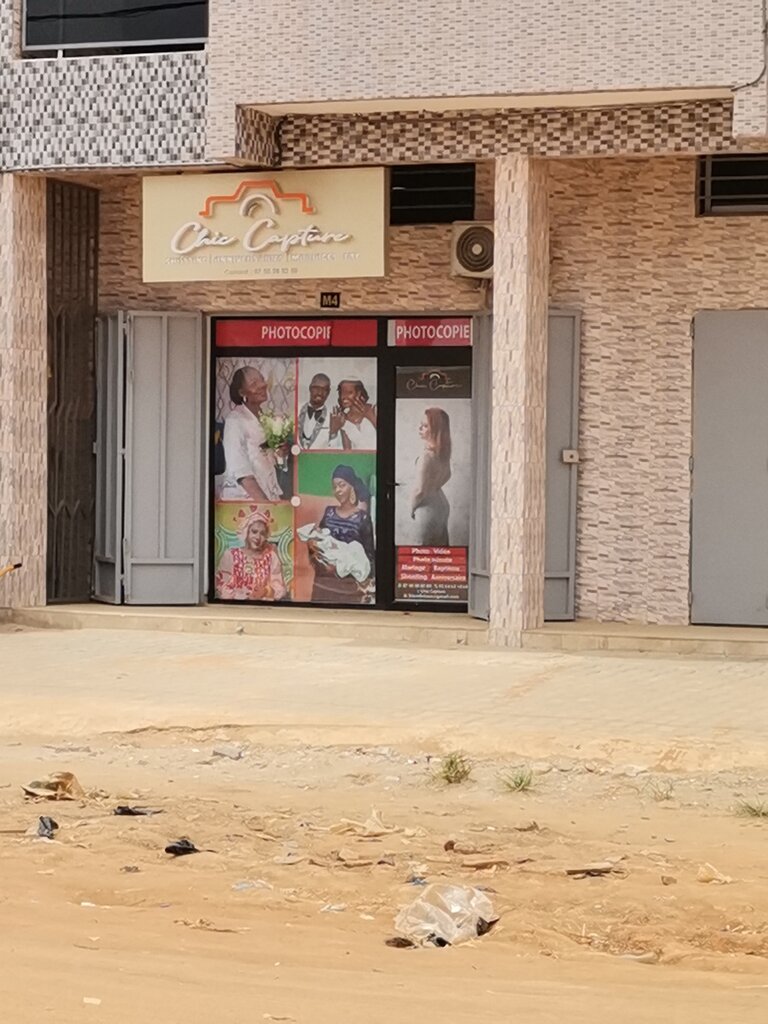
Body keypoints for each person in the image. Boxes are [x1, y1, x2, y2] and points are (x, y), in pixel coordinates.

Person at [308, 465, 375, 603]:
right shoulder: (329, 512)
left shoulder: (362, 518)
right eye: (335, 487)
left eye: (342, 485)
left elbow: (369, 557)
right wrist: (313, 548)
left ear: (352, 486)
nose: (337, 490)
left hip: (350, 589)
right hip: (324, 584)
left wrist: (342, 568)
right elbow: (320, 543)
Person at [220, 366, 283, 501]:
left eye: (262, 379)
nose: (262, 385)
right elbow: (240, 471)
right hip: (246, 500)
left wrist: (281, 454)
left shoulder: (266, 418)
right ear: (242, 392)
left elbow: (269, 460)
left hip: (269, 495)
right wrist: (265, 504)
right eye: (254, 383)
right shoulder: (235, 420)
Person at [215, 508, 287, 601]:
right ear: (246, 532)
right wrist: (244, 598)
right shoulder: (230, 556)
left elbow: (280, 588)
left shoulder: (272, 557)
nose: (258, 537)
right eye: (254, 531)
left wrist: (266, 591)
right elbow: (221, 586)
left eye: (262, 534)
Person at [410, 407, 452, 545]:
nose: (420, 428)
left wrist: (411, 508)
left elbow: (420, 490)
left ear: (435, 429)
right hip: (441, 505)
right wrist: (434, 486)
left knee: (422, 552)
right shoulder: (442, 453)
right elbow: (448, 474)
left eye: (425, 426)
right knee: (441, 551)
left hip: (426, 509)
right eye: (421, 424)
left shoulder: (426, 457)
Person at [329, 379, 377, 450]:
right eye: (341, 393)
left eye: (349, 392)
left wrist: (368, 416)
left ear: (358, 393)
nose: (343, 397)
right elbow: (347, 451)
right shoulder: (343, 419)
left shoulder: (373, 410)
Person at [297, 372, 333, 449]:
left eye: (324, 389)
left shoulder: (332, 418)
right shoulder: (297, 410)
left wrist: (334, 432)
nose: (320, 393)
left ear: (329, 392)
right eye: (316, 388)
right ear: (310, 388)